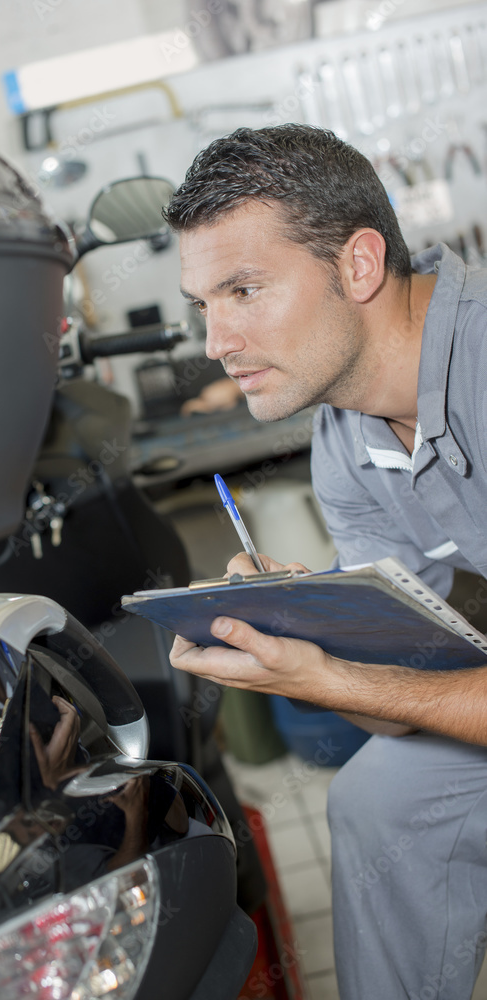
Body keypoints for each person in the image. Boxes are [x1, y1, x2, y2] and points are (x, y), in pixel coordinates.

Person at [164, 124, 487, 1000]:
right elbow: (405, 697)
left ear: (357, 266)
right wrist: (305, 638)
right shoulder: (345, 445)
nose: (214, 342)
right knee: (377, 798)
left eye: (243, 289)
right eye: (203, 303)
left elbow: (383, 696)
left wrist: (339, 682)